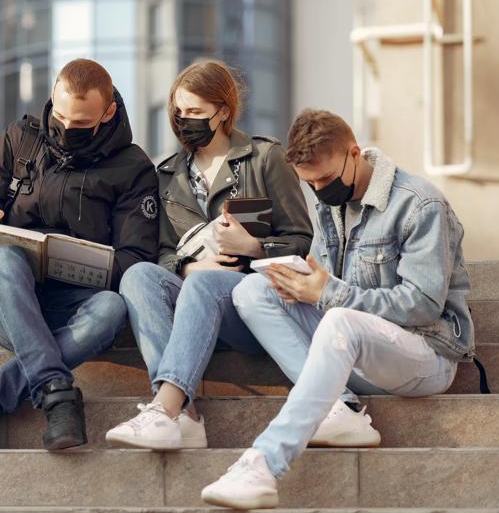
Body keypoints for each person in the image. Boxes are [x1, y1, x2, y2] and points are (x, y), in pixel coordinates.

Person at [201, 109, 475, 509]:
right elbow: (323, 282)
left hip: (425, 356)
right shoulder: (330, 205)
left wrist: (327, 292)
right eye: (309, 183)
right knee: (251, 292)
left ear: (354, 153)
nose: (319, 191)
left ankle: (261, 465)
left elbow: (423, 305)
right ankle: (338, 408)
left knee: (340, 318)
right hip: (351, 352)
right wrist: (298, 285)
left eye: (325, 179)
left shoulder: (420, 205)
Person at [0, 59, 159, 451]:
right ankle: (56, 392)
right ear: (51, 98)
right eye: (59, 117)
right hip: (7, 296)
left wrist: (72, 257)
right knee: (6, 257)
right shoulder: (19, 139)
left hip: (73, 300)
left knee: (111, 308)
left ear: (108, 113)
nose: (66, 129)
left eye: (80, 123)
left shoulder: (133, 168)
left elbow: (135, 260)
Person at [105, 59, 312, 450]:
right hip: (190, 302)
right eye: (179, 112)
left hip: (247, 309)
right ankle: (185, 415)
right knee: (138, 275)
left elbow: (301, 239)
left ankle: (166, 410)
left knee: (206, 284)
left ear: (223, 112)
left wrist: (253, 248)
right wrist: (187, 266)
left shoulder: (265, 158)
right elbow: (161, 251)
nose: (184, 120)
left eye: (196, 112)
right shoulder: (165, 176)